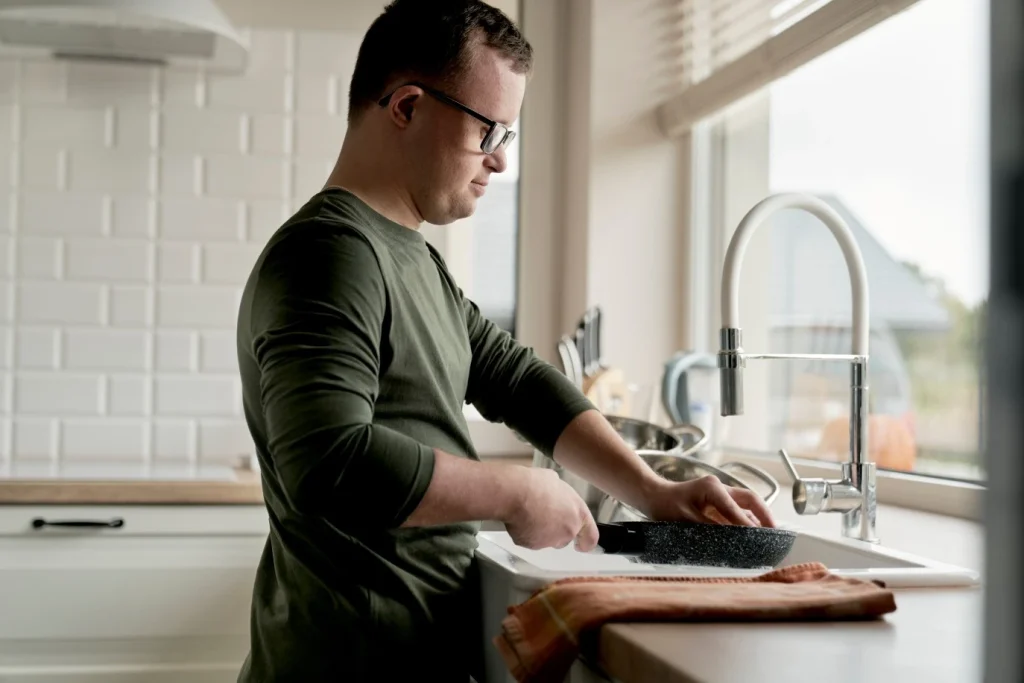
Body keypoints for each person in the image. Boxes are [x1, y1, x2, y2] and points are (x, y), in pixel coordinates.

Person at [234, 1, 776, 680]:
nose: (498, 160)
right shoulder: (331, 253)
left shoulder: (410, 257)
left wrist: (649, 487)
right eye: (488, 129)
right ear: (405, 107)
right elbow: (328, 459)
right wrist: (517, 492)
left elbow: (515, 380)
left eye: (508, 136)